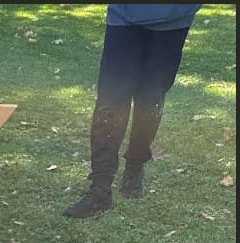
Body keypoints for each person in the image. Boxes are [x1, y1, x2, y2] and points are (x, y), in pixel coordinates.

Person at [64, 4, 203, 219]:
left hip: (174, 18)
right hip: (124, 14)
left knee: (150, 99)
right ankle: (100, 190)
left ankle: (135, 165)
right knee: (110, 101)